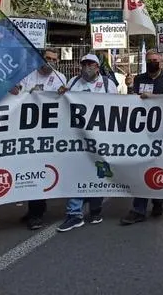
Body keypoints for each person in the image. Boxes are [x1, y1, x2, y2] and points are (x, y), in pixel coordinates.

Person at [56, 54, 112, 232]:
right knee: (76, 171)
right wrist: (61, 94)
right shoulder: (73, 82)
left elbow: (116, 107)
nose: (87, 67)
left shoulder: (107, 83)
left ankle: (96, 209)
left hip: (100, 136)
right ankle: (74, 214)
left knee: (98, 172)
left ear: (97, 67)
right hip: (77, 136)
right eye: (84, 64)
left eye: (91, 64)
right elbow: (63, 104)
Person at [120, 51, 163, 225]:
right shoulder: (139, 79)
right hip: (143, 130)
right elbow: (133, 101)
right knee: (142, 169)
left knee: (159, 166)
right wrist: (130, 87)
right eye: (149, 60)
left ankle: (158, 201)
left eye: (155, 60)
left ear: (161, 61)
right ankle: (139, 209)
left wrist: (158, 96)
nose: (152, 62)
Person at [13, 48, 66, 230]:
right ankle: (34, 210)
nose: (50, 62)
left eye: (54, 59)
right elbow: (16, 93)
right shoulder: (27, 75)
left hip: (48, 133)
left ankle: (36, 213)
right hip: (27, 131)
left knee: (41, 170)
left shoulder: (60, 78)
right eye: (47, 58)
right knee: (28, 170)